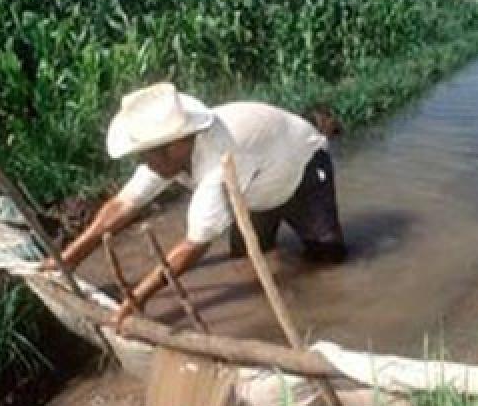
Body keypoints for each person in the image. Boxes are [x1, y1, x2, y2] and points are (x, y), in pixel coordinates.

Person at [42, 82, 346, 329]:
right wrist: (68, 258)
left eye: (146, 155)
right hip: (256, 183)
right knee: (246, 260)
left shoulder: (219, 162)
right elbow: (125, 203)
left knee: (327, 262)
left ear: (177, 145)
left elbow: (195, 244)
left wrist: (139, 297)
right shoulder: (170, 153)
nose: (142, 163)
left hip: (303, 167)